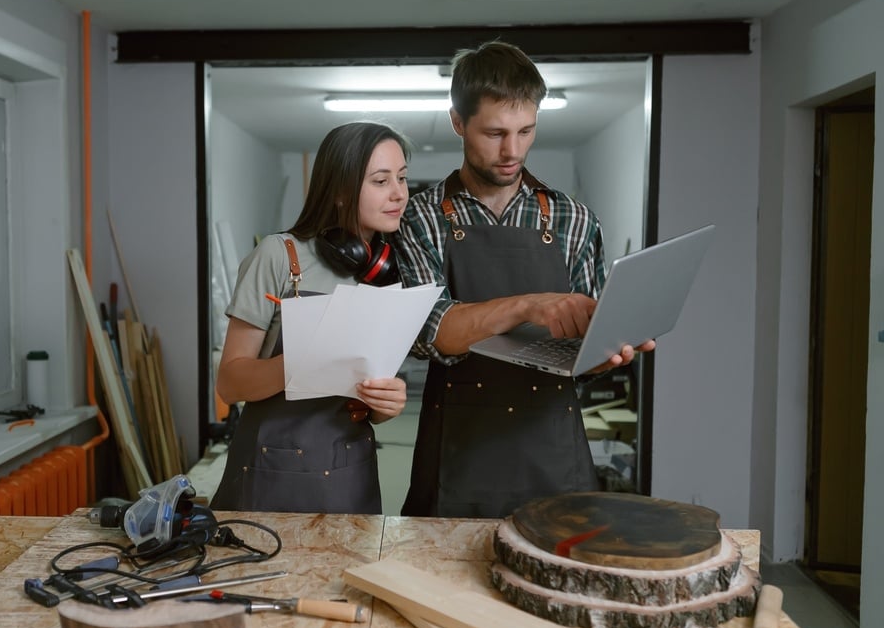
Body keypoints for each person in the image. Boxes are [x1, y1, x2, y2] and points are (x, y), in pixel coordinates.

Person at [394, 40, 655, 519]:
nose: (511, 150)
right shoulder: (421, 217)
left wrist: (607, 352)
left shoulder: (574, 219)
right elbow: (431, 334)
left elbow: (584, 350)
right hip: (458, 451)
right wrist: (529, 305)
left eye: (526, 130)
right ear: (458, 122)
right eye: (494, 133)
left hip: (553, 448)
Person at [211, 121, 412, 515]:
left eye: (402, 179)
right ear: (339, 190)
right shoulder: (279, 256)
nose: (398, 194)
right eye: (380, 181)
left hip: (348, 473)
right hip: (273, 472)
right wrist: (300, 364)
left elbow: (364, 401)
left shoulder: (386, 272)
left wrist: (385, 405)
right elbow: (229, 384)